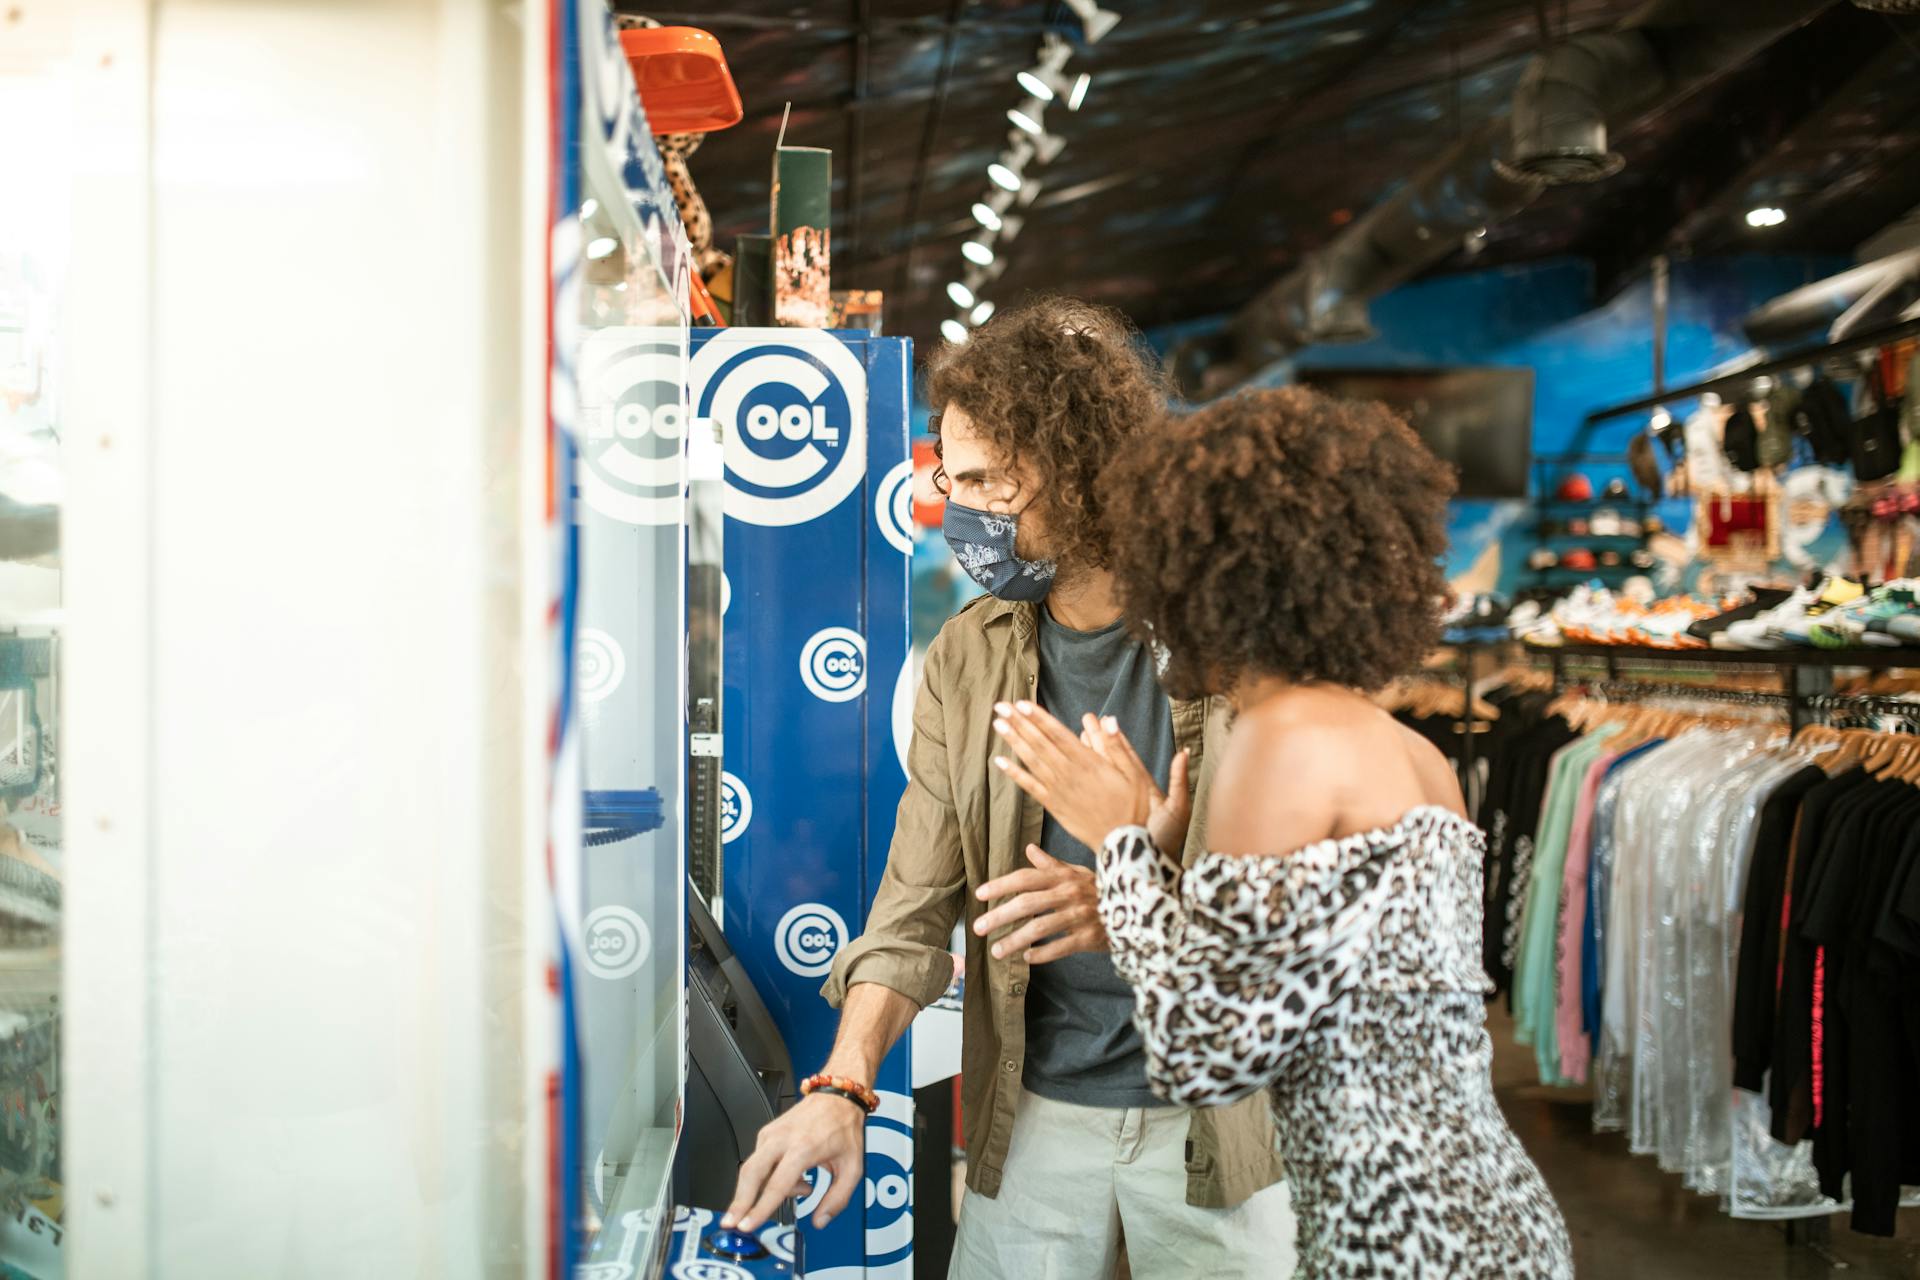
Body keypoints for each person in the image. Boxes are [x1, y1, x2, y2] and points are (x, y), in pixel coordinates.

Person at [724, 299, 1297, 1279]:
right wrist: (845, 1082)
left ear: (1084, 472)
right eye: (956, 478)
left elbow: (1304, 904)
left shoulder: (1240, 645)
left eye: (994, 481)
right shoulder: (966, 656)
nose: (965, 511)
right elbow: (912, 909)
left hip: (1222, 1122)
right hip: (1033, 1111)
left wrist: (1132, 892)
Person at [990, 386, 1574, 1278]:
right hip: (1492, 1220)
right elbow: (1304, 991)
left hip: (1403, 1243)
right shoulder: (1409, 750)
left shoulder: (1280, 742)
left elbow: (1202, 1053)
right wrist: (1157, 854)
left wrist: (1122, 851)